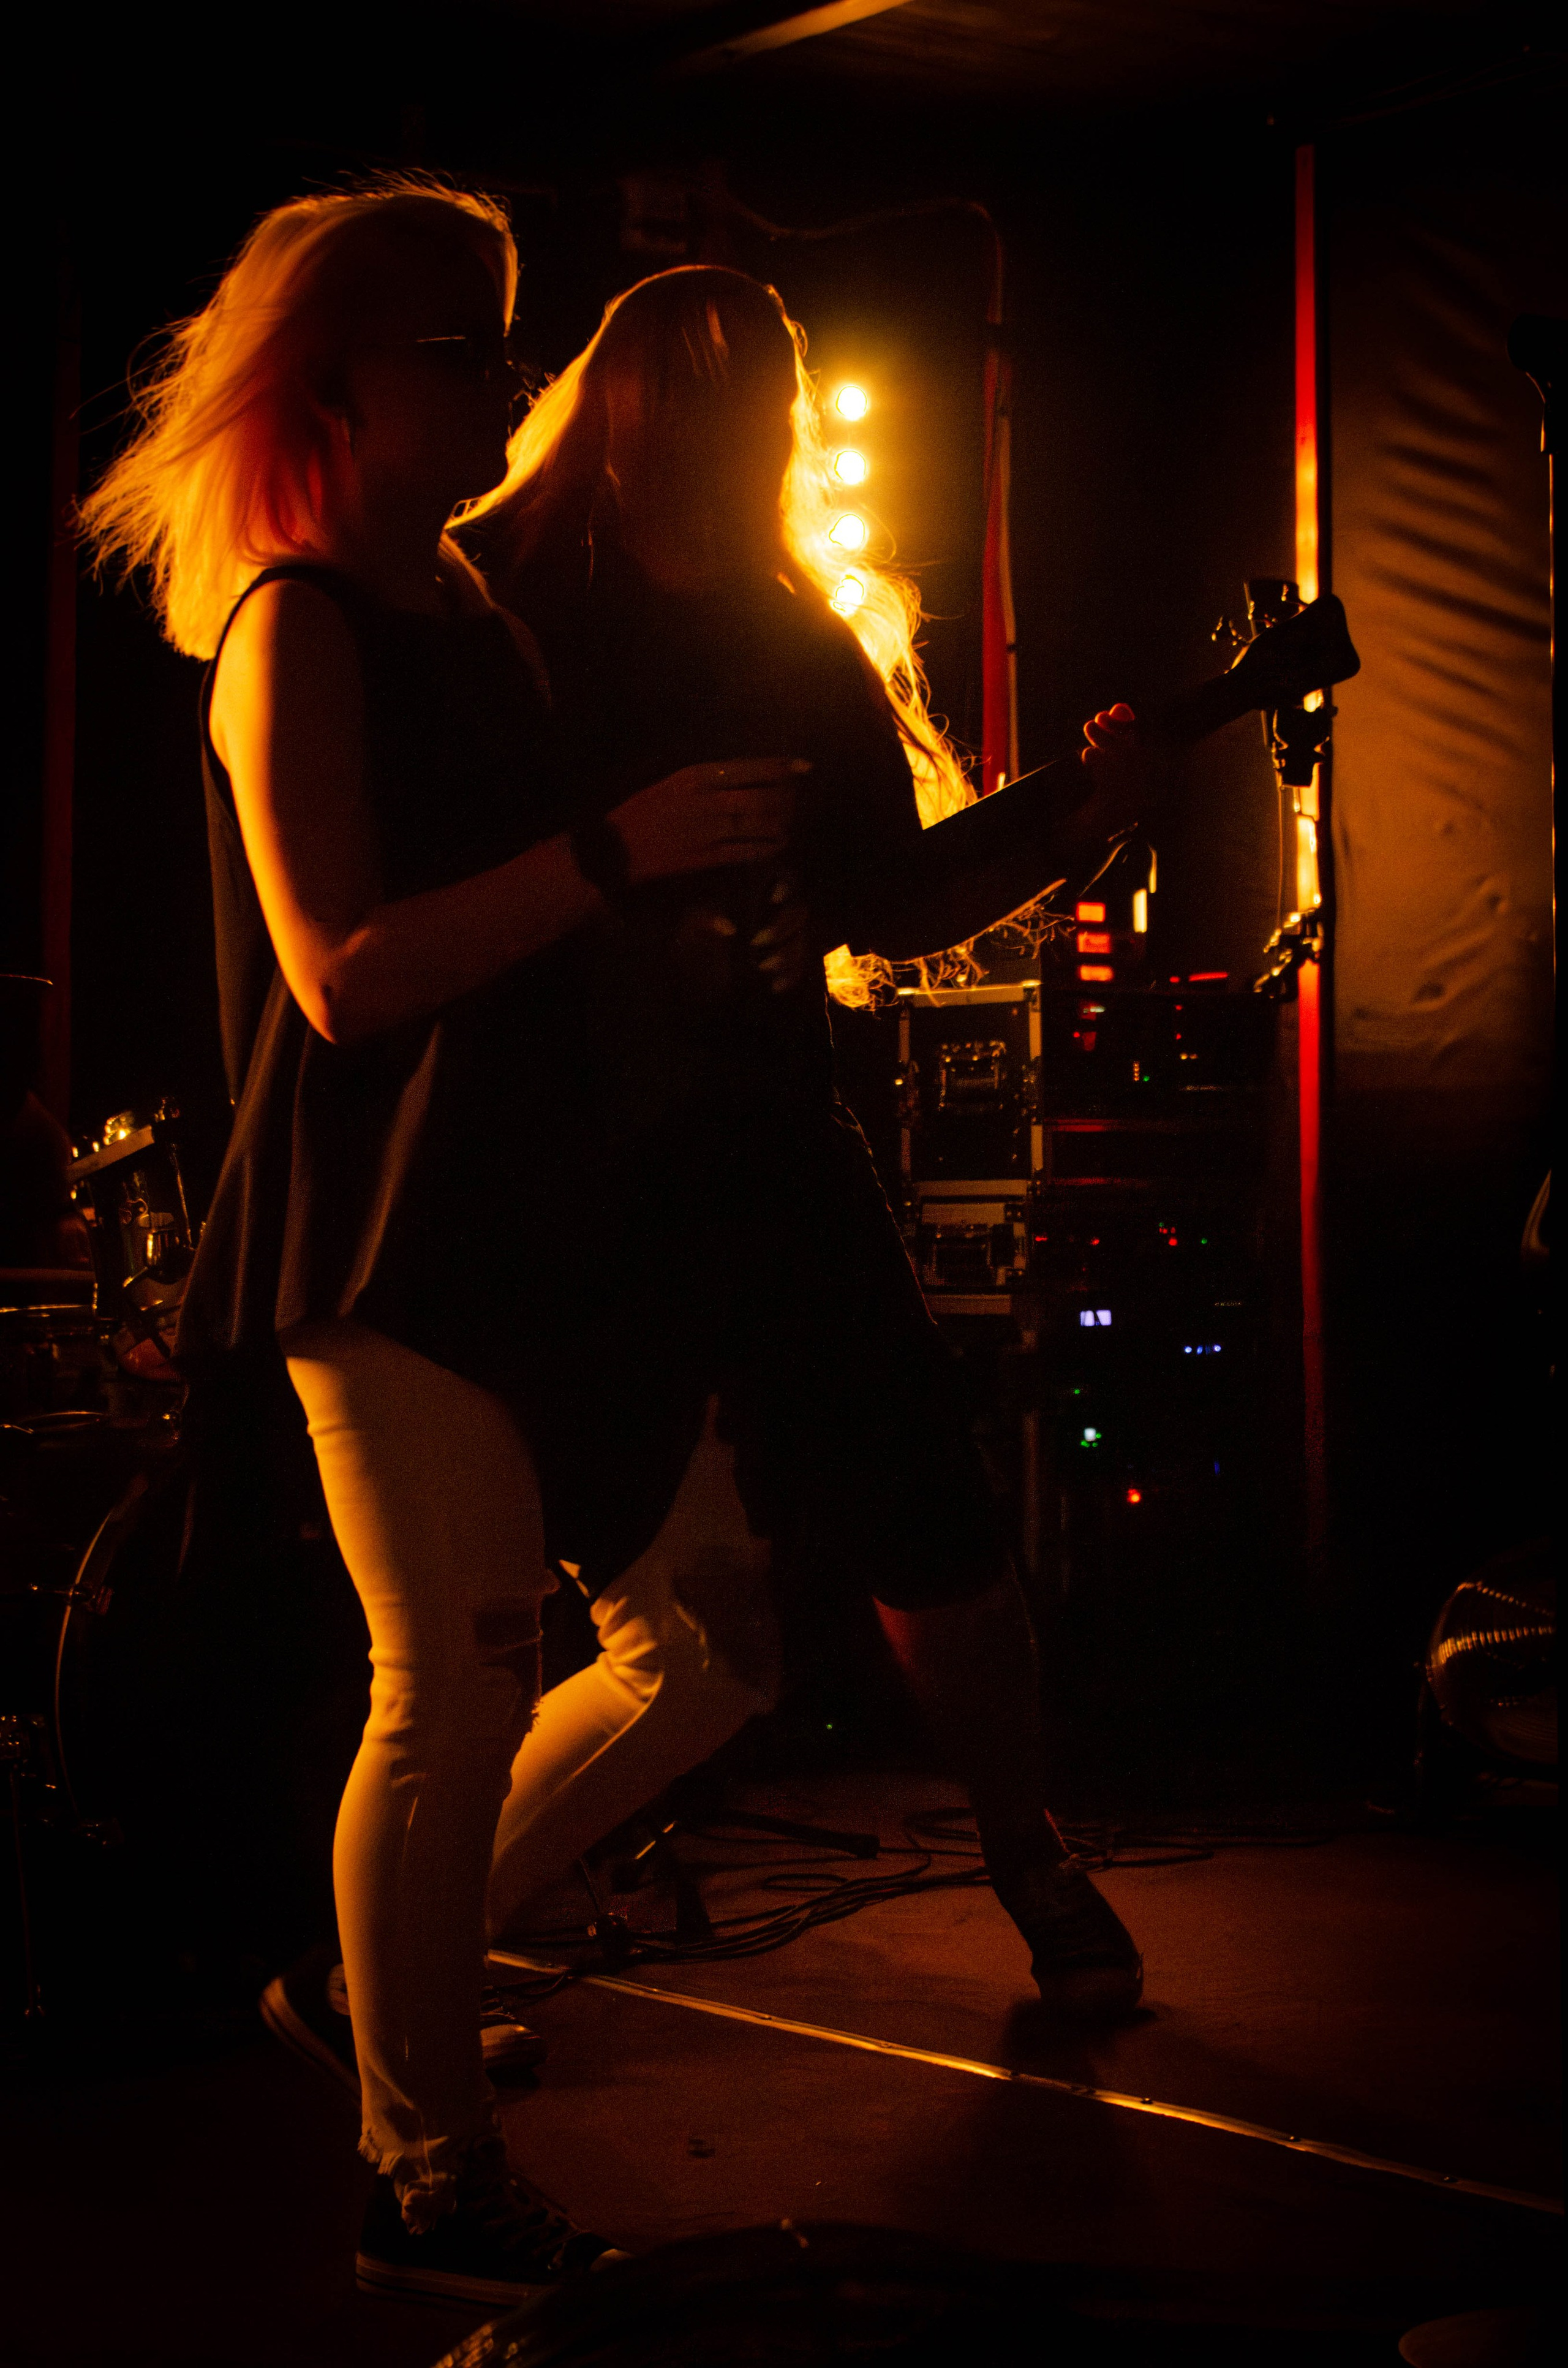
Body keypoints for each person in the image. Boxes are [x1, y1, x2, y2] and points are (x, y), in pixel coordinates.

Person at [80, 184, 803, 2308]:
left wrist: (674, 929)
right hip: (382, 1226)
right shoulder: (299, 621)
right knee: (456, 1681)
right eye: (466, 349)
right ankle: (425, 2154)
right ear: (342, 385)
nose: (508, 379)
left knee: (711, 1637)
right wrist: (619, 852)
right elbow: (343, 973)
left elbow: (516, 936)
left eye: (505, 342)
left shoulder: (464, 598)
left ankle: (382, 1993)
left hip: (533, 1216)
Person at [463, 265, 1149, 2013]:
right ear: (617, 402)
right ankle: (397, 1929)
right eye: (694, 389)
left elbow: (892, 898)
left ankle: (1026, 1845)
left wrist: (1077, 820)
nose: (729, 424)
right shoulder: (513, 608)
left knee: (924, 1515)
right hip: (551, 1163)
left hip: (765, 1143)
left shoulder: (791, 638)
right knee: (508, 1595)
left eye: (758, 394)